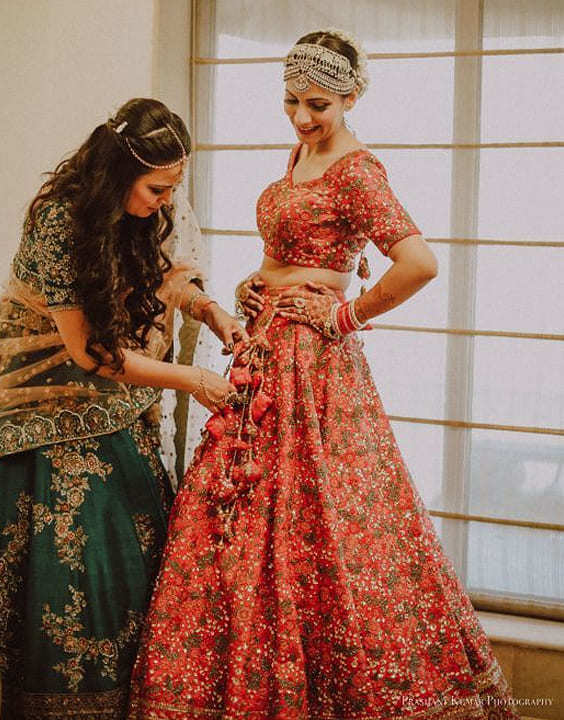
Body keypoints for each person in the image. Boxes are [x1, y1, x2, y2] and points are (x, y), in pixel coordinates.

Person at [128, 33, 520, 720]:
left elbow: (419, 263)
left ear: (350, 97)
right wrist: (258, 282)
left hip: (312, 365)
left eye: (317, 105)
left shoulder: (358, 171)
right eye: (290, 101)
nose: (302, 117)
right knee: (251, 517)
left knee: (321, 521)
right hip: (266, 348)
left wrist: (346, 316)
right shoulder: (304, 151)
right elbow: (293, 251)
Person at [0, 98, 246, 720]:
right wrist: (192, 378)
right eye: (157, 188)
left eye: (172, 188)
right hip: (47, 408)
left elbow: (166, 277)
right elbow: (91, 353)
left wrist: (210, 312)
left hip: (115, 410)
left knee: (138, 558)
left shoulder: (141, 214)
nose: (164, 201)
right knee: (76, 564)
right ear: (117, 174)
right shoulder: (60, 221)